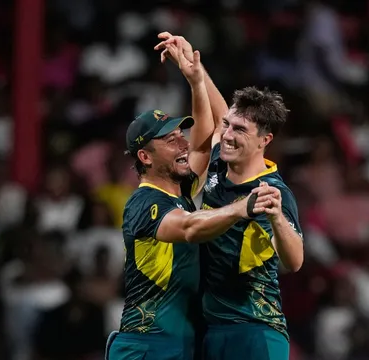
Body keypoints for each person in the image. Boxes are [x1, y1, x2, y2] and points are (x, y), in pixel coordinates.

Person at [106, 43, 278, 360]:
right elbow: (187, 228)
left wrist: (197, 82)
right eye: (169, 139)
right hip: (147, 345)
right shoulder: (143, 202)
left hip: (182, 347)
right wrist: (242, 208)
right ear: (145, 156)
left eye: (180, 134)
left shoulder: (181, 191)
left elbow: (203, 140)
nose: (181, 142)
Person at [156, 33, 304, 360]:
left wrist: (278, 219)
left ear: (265, 140)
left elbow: (294, 262)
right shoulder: (220, 161)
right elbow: (222, 109)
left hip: (255, 329)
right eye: (227, 126)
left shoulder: (272, 191)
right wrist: (195, 74)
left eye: (239, 130)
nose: (227, 135)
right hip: (210, 329)